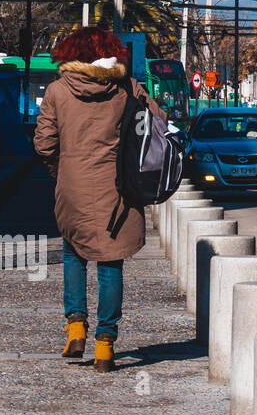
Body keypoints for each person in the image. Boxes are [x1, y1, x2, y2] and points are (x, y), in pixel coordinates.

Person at [33, 27, 165, 372]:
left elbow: (44, 143)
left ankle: (75, 326)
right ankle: (105, 345)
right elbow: (159, 124)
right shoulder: (126, 89)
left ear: (71, 53)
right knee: (111, 263)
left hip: (72, 187)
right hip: (117, 191)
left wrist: (61, 171)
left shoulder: (58, 91)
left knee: (73, 254)